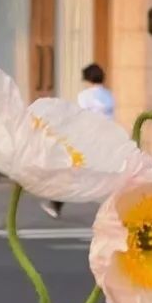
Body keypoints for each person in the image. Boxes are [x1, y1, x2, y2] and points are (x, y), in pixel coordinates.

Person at [41, 63, 113, 220]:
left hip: (88, 139)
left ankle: (55, 203)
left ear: (87, 78)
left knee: (72, 173)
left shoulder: (84, 96)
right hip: (106, 139)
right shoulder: (109, 96)